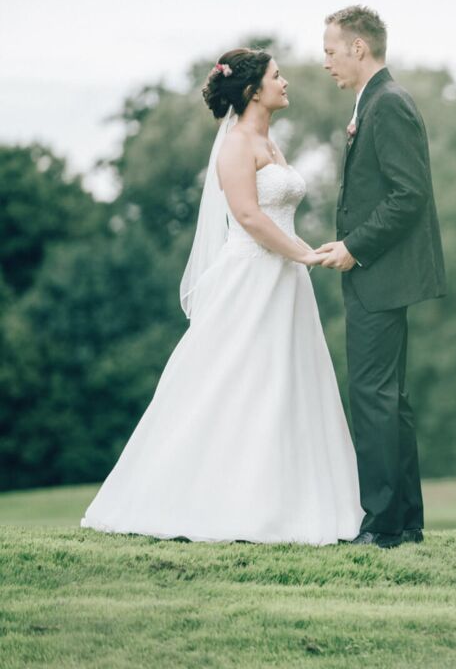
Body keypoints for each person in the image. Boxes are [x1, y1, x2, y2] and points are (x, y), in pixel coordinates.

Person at [80, 48, 365, 545]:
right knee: (236, 383)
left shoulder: (270, 143)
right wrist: (302, 256)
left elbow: (275, 218)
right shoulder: (237, 144)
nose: (285, 83)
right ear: (254, 90)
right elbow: (250, 218)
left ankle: (291, 504)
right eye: (277, 77)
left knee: (287, 383)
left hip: (285, 282)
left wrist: (302, 255)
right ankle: (209, 501)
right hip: (252, 278)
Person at [316, 5, 447, 549]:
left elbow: (408, 194)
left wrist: (354, 247)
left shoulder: (387, 104)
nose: (326, 63)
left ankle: (381, 526)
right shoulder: (375, 101)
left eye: (330, 52)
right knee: (389, 398)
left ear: (358, 48)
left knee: (373, 396)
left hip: (380, 273)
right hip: (381, 275)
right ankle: (406, 522)